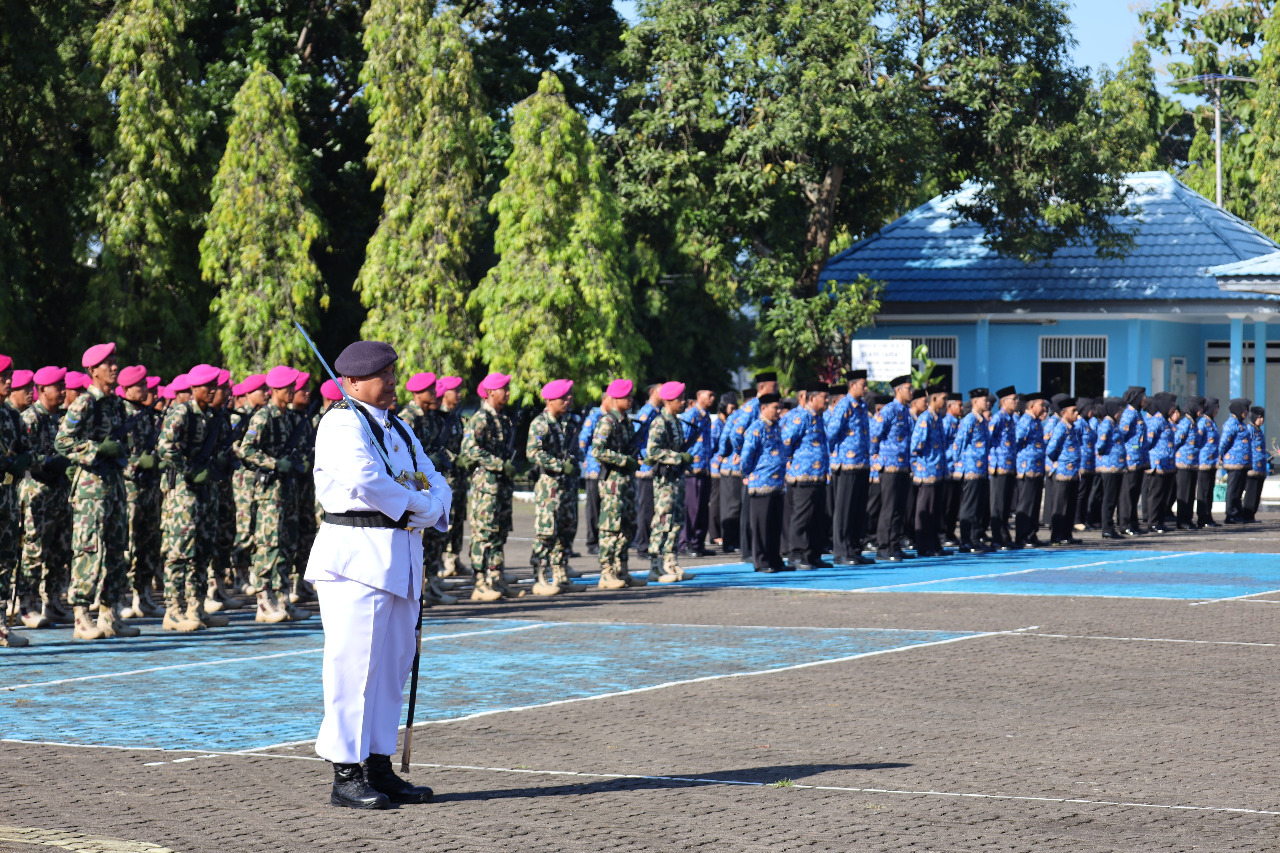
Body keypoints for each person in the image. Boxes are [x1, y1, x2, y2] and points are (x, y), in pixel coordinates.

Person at [304, 339, 448, 810]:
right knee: (353, 668)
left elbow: (432, 478)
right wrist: (418, 507)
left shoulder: (400, 428)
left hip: (401, 557)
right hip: (356, 559)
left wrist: (431, 505)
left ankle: (378, 765)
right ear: (351, 382)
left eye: (392, 373)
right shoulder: (342, 423)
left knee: (391, 669)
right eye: (382, 375)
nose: (391, 382)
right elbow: (368, 480)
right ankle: (346, 773)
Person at [155, 364, 230, 631]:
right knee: (179, 552)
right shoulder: (182, 412)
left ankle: (196, 608)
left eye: (215, 386)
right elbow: (164, 446)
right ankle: (173, 610)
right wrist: (188, 469)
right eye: (207, 387)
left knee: (202, 550)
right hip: (183, 493)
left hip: (205, 491)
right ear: (194, 388)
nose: (213, 391)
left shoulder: (212, 416)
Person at [236, 365, 312, 622]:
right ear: (276, 389)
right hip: (269, 492)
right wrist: (273, 463)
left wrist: (301, 462)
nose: (294, 391)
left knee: (287, 545)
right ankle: (264, 601)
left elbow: (303, 449)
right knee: (268, 545)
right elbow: (245, 449)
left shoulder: (291, 418)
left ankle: (282, 599)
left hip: (289, 491)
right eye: (289, 387)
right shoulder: (263, 417)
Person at [17, 366, 72, 630]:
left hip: (60, 494)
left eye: (63, 386)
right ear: (42, 390)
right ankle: (27, 606)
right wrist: (49, 462)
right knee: (34, 550)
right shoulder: (30, 419)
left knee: (59, 549)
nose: (63, 391)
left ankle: (53, 601)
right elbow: (25, 457)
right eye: (58, 387)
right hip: (38, 493)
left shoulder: (62, 418)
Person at [460, 373, 521, 601]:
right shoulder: (480, 419)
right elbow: (470, 449)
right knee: (484, 534)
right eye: (503, 389)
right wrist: (499, 464)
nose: (507, 393)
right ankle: (480, 583)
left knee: (499, 534)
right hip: (486, 487)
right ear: (491, 392)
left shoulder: (502, 419)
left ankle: (496, 579)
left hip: (501, 487)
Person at [525, 379, 583, 595]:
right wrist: (559, 465)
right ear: (550, 401)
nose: (568, 400)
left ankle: (561, 573)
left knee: (567, 530)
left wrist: (576, 461)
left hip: (568, 486)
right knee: (546, 532)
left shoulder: (568, 423)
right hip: (549, 487)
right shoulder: (541, 423)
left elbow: (576, 449)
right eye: (563, 397)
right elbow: (533, 452)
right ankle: (540, 576)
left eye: (569, 397)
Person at [117, 364, 165, 620]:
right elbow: (114, 451)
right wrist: (136, 463)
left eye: (145, 385)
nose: (145, 390)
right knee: (128, 544)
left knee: (149, 542)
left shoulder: (147, 415)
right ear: (125, 388)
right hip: (129, 488)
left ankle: (143, 595)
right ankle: (121, 595)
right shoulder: (120, 413)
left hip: (150, 488)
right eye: (140, 386)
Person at [592, 379, 646, 589]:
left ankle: (622, 569)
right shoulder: (607, 422)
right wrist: (624, 460)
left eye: (631, 396)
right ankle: (607, 572)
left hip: (626, 482)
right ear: (614, 399)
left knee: (627, 526)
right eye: (626, 396)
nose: (630, 399)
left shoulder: (627, 422)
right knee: (610, 528)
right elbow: (598, 450)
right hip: (613, 482)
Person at [645, 381, 696, 581]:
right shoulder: (660, 422)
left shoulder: (676, 421)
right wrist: (677, 458)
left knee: (676, 521)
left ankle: (671, 563)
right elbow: (652, 451)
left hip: (676, 478)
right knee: (663, 520)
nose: (683, 402)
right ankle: (655, 566)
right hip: (665, 480)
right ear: (668, 400)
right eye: (679, 399)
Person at [826, 370, 871, 565]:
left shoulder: (861, 406)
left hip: (861, 463)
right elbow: (831, 433)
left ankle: (854, 548)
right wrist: (833, 454)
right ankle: (841, 551)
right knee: (844, 510)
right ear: (852, 385)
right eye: (863, 384)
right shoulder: (844, 404)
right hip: (846, 464)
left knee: (857, 510)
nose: (866, 388)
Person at [740, 393, 787, 572]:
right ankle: (761, 561)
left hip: (777, 484)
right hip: (761, 483)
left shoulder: (776, 427)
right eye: (775, 408)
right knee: (761, 526)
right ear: (763, 408)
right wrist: (750, 474)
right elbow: (746, 457)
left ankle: (775, 559)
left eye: (779, 407)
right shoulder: (756, 428)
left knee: (775, 525)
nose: (779, 411)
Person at [873, 375, 914, 562]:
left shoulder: (906, 412)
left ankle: (894, 544)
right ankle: (884, 547)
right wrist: (875, 455)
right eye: (908, 388)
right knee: (889, 507)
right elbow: (875, 433)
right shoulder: (889, 410)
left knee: (899, 508)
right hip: (889, 465)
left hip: (903, 465)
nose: (911, 392)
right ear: (898, 390)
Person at [434, 376, 470, 578]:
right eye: (455, 390)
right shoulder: (439, 417)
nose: (459, 394)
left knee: (458, 519)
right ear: (445, 393)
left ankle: (454, 557)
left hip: (459, 478)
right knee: (444, 519)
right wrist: (455, 459)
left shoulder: (457, 417)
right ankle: (440, 559)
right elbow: (437, 447)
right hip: (444, 477)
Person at [952, 387, 990, 553]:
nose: (987, 403)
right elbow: (958, 444)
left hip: (981, 470)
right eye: (984, 400)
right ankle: (965, 541)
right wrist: (958, 465)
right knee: (969, 507)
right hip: (970, 469)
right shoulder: (969, 420)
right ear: (975, 402)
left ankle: (975, 539)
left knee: (978, 508)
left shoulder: (981, 420)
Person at [677, 386, 714, 557]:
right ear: (699, 395)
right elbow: (681, 440)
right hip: (691, 469)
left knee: (702, 508)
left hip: (705, 468)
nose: (712, 398)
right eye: (709, 395)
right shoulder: (690, 415)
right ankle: (685, 543)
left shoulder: (706, 417)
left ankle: (698, 542)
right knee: (691, 508)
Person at [630, 384, 662, 558]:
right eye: (661, 390)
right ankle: (642, 546)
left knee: (652, 508)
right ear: (652, 391)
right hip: (645, 467)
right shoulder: (647, 411)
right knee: (645, 508)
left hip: (653, 465)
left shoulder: (657, 411)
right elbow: (635, 435)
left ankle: (649, 544)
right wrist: (638, 458)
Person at [1045, 397, 1082, 545]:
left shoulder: (1071, 427)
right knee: (1060, 506)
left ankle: (1067, 534)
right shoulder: (1060, 427)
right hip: (1062, 472)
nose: (1076, 413)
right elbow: (1051, 449)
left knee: (1071, 505)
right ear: (1064, 413)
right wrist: (1058, 462)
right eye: (1073, 411)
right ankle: (1057, 535)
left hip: (1073, 472)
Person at [1013, 391, 1047, 548]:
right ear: (1032, 405)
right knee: (1026, 504)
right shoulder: (1025, 421)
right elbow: (1017, 442)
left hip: (1038, 468)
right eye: (1041, 404)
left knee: (1034, 504)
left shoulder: (1036, 422)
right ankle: (1022, 536)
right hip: (1028, 468)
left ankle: (1032, 534)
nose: (1043, 407)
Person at [987, 386, 1018, 550]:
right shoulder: (998, 418)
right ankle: (997, 538)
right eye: (1014, 399)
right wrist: (992, 461)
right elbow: (988, 439)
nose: (1017, 402)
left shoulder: (1011, 419)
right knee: (998, 505)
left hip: (1009, 466)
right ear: (1004, 402)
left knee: (1006, 505)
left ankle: (1005, 536)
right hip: (999, 467)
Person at [1117, 387, 1148, 535]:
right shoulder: (1129, 414)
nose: (1145, 400)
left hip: (1138, 459)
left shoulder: (1137, 414)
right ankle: (1125, 523)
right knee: (1127, 493)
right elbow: (1121, 436)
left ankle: (1134, 523)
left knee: (1135, 493)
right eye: (1143, 397)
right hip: (1130, 459)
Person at [708, 392, 736, 551]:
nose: (733, 411)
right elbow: (712, 448)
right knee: (716, 500)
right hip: (716, 467)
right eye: (731, 408)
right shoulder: (716, 425)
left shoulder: (728, 423)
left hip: (727, 467)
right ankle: (714, 533)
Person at [577, 399, 604, 557]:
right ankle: (592, 542)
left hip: (607, 469)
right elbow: (583, 441)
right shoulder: (594, 417)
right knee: (594, 507)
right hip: (594, 469)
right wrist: (586, 459)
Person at [1095, 397, 1125, 539]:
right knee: (1109, 497)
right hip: (1109, 466)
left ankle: (1110, 527)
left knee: (1112, 498)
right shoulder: (1107, 423)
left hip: (1116, 466)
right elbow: (1100, 444)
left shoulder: (1113, 423)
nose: (1121, 412)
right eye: (1119, 409)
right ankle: (1106, 527)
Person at [1220, 398, 1253, 523]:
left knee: (1239, 490)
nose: (1247, 413)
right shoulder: (1231, 424)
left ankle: (1237, 512)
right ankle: (1231, 514)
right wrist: (1220, 455)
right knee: (1233, 489)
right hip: (1234, 463)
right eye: (1245, 410)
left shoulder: (1241, 424)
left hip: (1243, 463)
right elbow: (1224, 442)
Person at [1173, 396, 1203, 529]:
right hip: (1183, 464)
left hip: (1192, 463)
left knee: (1191, 493)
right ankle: (1182, 520)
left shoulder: (1193, 423)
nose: (1201, 410)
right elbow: (1176, 441)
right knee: (1184, 494)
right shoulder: (1185, 423)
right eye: (1200, 407)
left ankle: (1188, 518)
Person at [1197, 397, 1221, 527]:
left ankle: (1208, 516)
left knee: (1209, 491)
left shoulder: (1212, 422)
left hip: (1212, 462)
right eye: (1216, 407)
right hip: (1204, 462)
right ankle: (1202, 517)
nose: (1217, 410)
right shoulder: (1203, 423)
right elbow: (1198, 441)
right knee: (1203, 491)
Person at [1243, 407, 1267, 522]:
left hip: (1260, 468)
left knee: (1257, 493)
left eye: (1262, 417)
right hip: (1252, 468)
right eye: (1259, 417)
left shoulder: (1259, 430)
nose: (1261, 420)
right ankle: (1247, 514)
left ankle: (1252, 514)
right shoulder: (1249, 429)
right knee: (1251, 493)